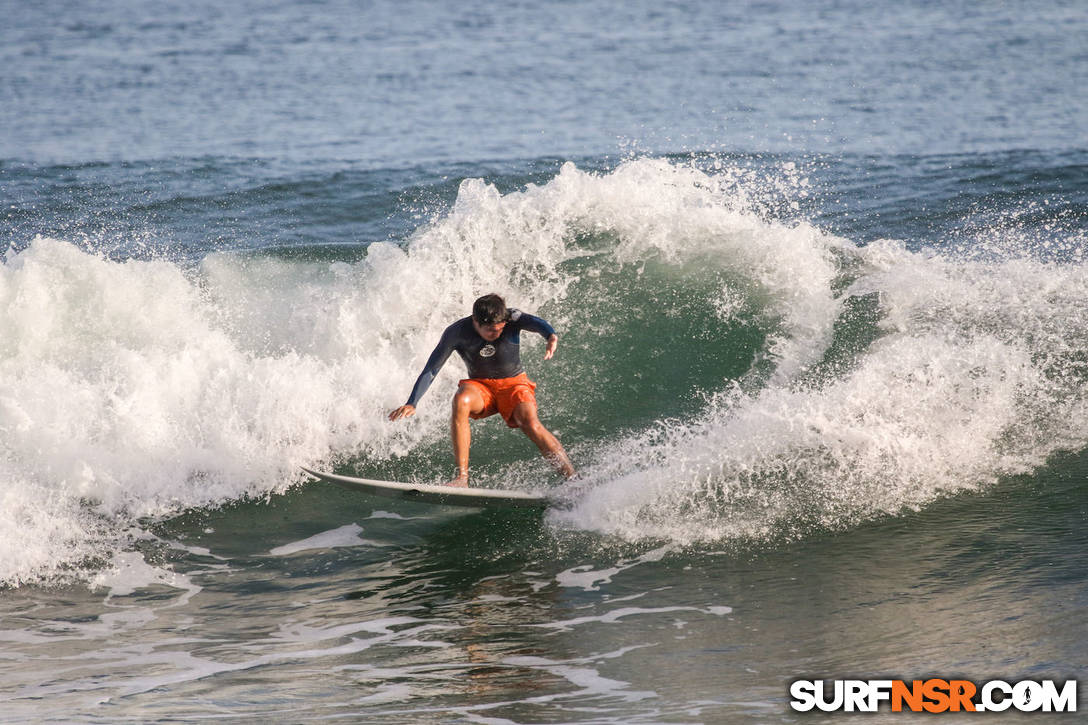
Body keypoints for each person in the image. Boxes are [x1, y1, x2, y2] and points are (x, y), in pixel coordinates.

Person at [388, 293, 576, 487]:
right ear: (475, 321)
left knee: (529, 421)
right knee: (461, 400)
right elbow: (432, 368)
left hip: (514, 384)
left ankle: (572, 479)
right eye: (490, 331)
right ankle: (462, 478)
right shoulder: (456, 332)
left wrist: (551, 335)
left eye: (500, 329)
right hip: (481, 387)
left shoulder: (512, 317)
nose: (496, 334)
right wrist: (412, 402)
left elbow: (536, 323)